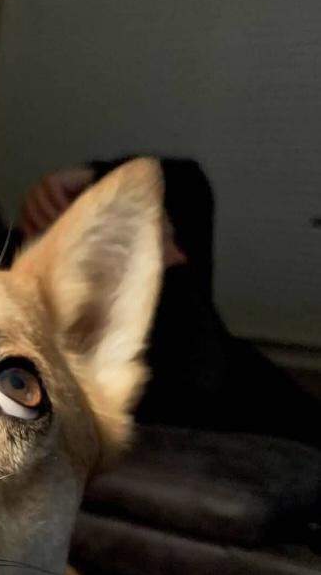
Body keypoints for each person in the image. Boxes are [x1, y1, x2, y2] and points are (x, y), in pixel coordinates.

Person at [17, 160, 320, 446]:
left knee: (183, 186)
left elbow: (188, 180)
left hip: (194, 349)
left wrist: (96, 177)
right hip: (176, 374)